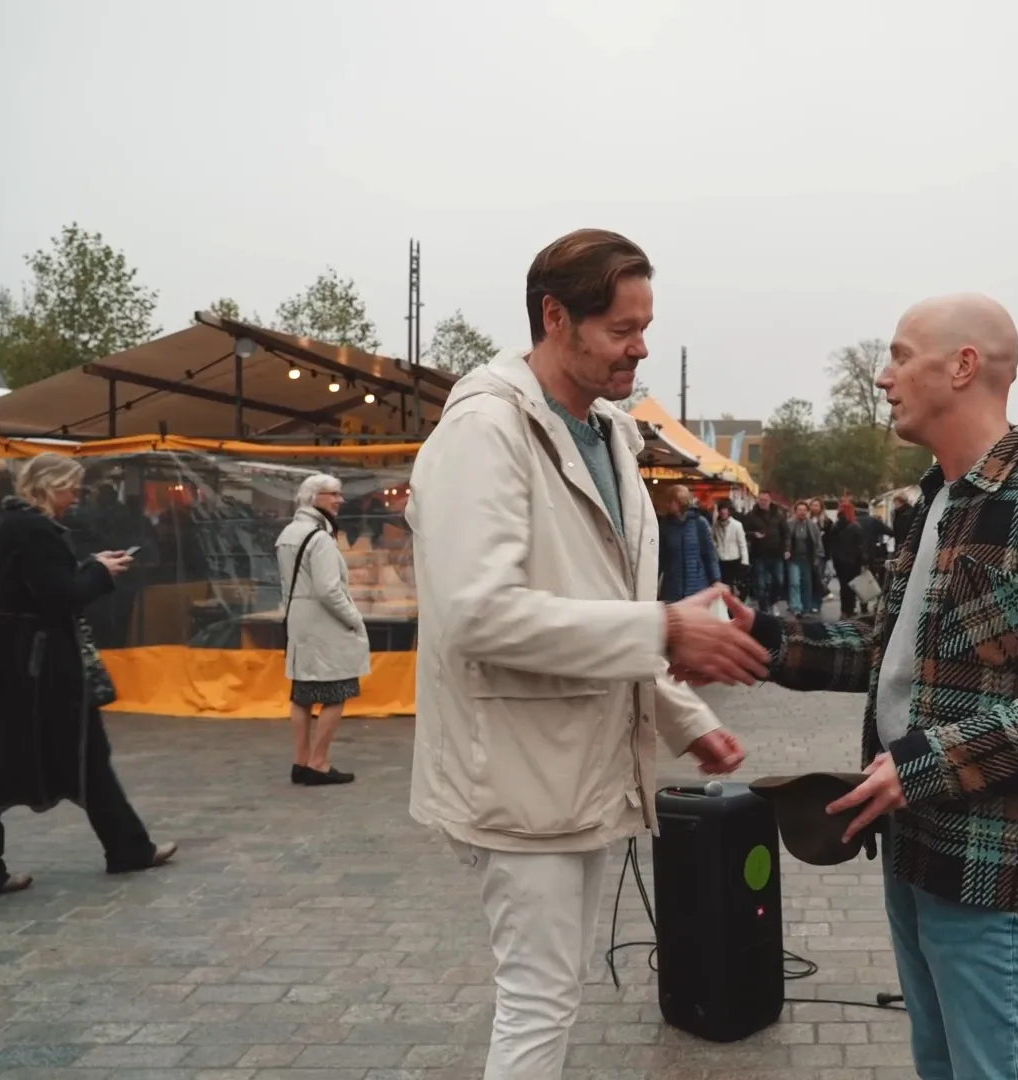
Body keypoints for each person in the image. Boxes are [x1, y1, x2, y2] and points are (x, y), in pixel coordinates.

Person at [702, 293, 1018, 1080]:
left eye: (901, 356)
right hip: (915, 842)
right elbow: (893, 656)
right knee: (940, 1063)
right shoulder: (937, 500)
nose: (884, 376)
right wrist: (762, 638)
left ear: (963, 366)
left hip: (992, 853)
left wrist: (924, 764)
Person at [404, 228, 765, 1080]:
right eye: (620, 329)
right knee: (538, 997)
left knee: (552, 992)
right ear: (554, 317)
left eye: (645, 327)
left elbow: (606, 604)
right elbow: (477, 614)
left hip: (577, 765)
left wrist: (683, 717)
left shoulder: (609, 435)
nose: (639, 348)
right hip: (517, 768)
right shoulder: (485, 430)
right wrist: (666, 632)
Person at [0, 452, 176, 901]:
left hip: (19, 665)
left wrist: (90, 563)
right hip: (38, 670)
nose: (76, 497)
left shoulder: (13, 523)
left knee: (23, 763)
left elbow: (39, 584)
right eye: (71, 488)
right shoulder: (33, 528)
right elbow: (61, 596)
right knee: (72, 756)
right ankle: (126, 848)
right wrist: (100, 573)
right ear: (50, 486)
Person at [277, 473, 369, 786]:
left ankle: (300, 762)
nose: (340, 500)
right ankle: (318, 763)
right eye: (334, 494)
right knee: (336, 692)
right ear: (314, 497)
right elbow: (329, 590)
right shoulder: (319, 538)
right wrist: (354, 618)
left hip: (300, 624)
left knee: (302, 695)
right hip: (325, 627)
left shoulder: (288, 533)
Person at [656, 483, 720, 602]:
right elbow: (660, 558)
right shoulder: (665, 526)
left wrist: (716, 580)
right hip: (672, 590)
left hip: (698, 587)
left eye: (670, 501)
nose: (666, 504)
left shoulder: (699, 523)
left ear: (679, 502)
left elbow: (710, 554)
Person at [825, 499, 869, 618]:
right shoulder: (855, 526)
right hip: (853, 561)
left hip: (839, 561)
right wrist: (864, 560)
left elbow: (831, 543)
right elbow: (860, 546)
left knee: (843, 586)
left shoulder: (835, 526)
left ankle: (844, 610)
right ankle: (850, 608)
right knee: (852, 585)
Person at [746, 493, 789, 613]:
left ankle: (772, 602)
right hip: (759, 554)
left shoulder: (779, 515)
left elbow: (786, 533)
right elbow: (743, 532)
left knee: (778, 581)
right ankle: (763, 608)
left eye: (765, 499)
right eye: (761, 499)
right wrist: (753, 534)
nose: (763, 502)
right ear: (757, 500)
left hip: (776, 554)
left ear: (770, 500)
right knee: (761, 584)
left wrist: (787, 549)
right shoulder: (751, 516)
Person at [784, 499, 823, 616]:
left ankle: (806, 607)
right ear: (795, 511)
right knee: (794, 583)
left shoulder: (812, 526)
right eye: (800, 510)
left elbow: (818, 542)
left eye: (804, 510)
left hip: (807, 559)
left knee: (807, 584)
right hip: (793, 559)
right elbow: (785, 539)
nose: (802, 512)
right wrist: (786, 551)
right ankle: (796, 607)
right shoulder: (789, 524)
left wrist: (818, 556)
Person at [711, 499, 750, 601]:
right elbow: (713, 539)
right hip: (721, 560)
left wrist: (745, 562)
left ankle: (735, 605)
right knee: (726, 587)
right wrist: (716, 548)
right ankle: (729, 606)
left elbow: (742, 544)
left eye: (725, 509)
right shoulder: (715, 525)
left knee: (736, 586)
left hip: (734, 559)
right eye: (721, 510)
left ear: (729, 511)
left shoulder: (737, 525)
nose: (723, 512)